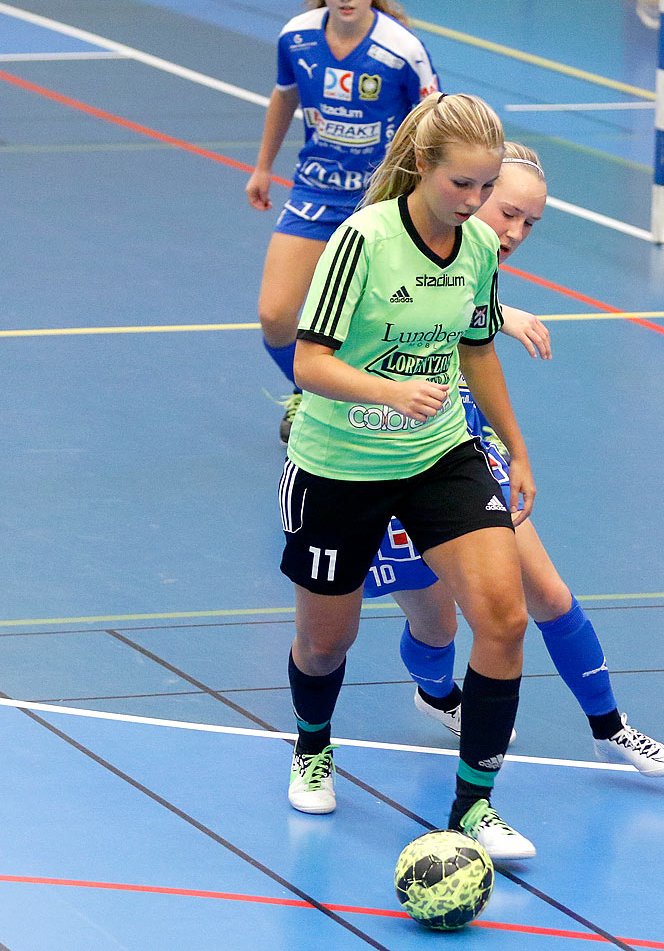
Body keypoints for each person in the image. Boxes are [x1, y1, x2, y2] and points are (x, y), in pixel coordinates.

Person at [364, 143, 664, 778]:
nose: (515, 232)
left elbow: (470, 339)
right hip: (380, 453)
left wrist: (514, 447)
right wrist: (499, 315)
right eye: (507, 212)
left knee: (548, 593)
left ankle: (609, 727)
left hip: (459, 449)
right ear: (469, 191)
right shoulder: (381, 243)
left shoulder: (477, 261)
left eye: (530, 223)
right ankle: (435, 692)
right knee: (436, 626)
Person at [279, 92, 537, 860]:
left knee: (504, 618)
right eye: (463, 184)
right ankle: (313, 746)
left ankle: (473, 808)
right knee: (327, 642)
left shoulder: (480, 248)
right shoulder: (363, 240)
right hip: (340, 464)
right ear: (424, 166)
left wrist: (517, 448)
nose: (477, 202)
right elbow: (308, 361)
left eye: (487, 186)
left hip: (439, 454)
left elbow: (478, 349)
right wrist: (392, 391)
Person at [246, 0, 439, 442]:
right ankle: (309, 389)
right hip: (316, 193)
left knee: (384, 319)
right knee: (275, 316)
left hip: (382, 201)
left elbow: (435, 121)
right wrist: (263, 167)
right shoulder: (297, 36)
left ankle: (388, 403)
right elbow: (284, 95)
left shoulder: (402, 50)